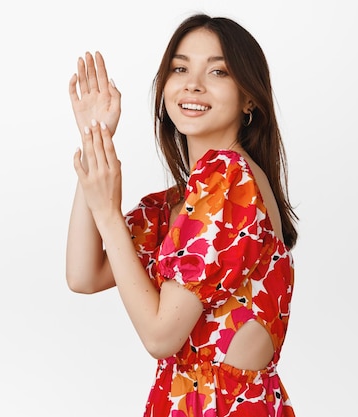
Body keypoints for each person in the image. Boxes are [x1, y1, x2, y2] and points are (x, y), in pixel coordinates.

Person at [65, 13, 298, 417]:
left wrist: (107, 210)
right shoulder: (179, 202)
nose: (193, 83)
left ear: (249, 98)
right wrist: (96, 140)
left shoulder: (229, 181)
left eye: (219, 71)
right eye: (180, 67)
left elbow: (160, 337)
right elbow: (84, 275)